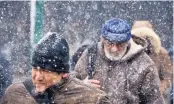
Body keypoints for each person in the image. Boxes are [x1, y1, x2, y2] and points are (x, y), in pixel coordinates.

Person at [2, 32, 111, 104]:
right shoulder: (15, 93)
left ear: (63, 73)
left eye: (46, 71)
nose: (38, 77)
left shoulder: (93, 99)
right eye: (35, 68)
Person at [74, 18, 165, 104]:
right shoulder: (91, 54)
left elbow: (155, 100)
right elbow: (69, 85)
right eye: (110, 43)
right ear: (103, 40)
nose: (114, 49)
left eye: (120, 44)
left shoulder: (143, 63)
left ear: (128, 41)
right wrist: (83, 86)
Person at [131, 21, 173, 103]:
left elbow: (167, 78)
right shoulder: (128, 52)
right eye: (139, 37)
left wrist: (157, 91)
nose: (143, 39)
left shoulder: (161, 53)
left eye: (146, 36)